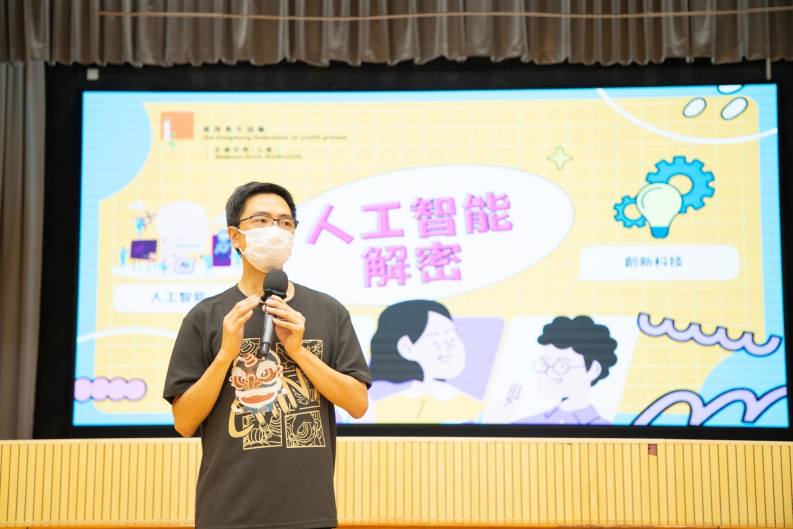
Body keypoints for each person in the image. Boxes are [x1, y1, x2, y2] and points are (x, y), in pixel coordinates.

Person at [163, 182, 371, 529]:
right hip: (228, 513)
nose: (275, 230)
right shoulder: (205, 317)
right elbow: (184, 423)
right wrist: (225, 355)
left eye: (285, 222)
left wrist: (299, 352)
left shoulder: (329, 311)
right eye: (261, 220)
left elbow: (358, 404)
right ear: (235, 235)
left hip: (309, 512)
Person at [368, 300, 481, 423]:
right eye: (435, 341)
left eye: (452, 338)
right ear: (406, 348)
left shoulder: (475, 408)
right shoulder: (383, 408)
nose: (448, 347)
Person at [511, 315, 618, 425]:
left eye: (561, 366)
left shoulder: (606, 426)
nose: (549, 372)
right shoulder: (526, 423)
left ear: (594, 370)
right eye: (544, 364)